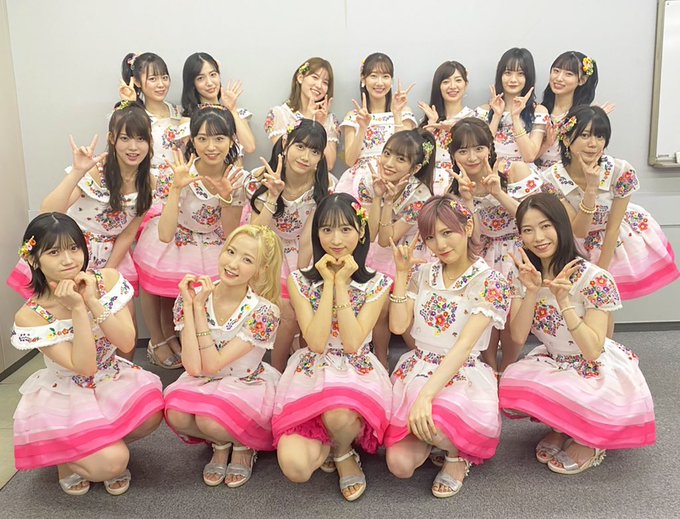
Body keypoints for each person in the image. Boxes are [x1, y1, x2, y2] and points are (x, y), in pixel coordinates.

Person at [499, 193, 656, 474]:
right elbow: (519, 338)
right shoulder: (524, 276)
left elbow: (593, 350)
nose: (538, 237)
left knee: (573, 386)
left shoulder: (594, 278)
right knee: (514, 380)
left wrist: (565, 302)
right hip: (555, 358)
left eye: (545, 226)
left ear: (561, 225)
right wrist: (532, 291)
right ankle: (563, 427)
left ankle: (590, 440)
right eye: (528, 230)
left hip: (593, 364)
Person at [11, 213, 164, 496]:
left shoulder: (107, 279)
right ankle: (69, 459)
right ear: (33, 260)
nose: (68, 260)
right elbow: (84, 367)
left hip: (110, 378)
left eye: (74, 248)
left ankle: (94, 448)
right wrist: (78, 309)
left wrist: (92, 300)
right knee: (114, 464)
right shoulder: (31, 315)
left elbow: (126, 341)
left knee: (152, 414)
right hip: (69, 391)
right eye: (54, 252)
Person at [385, 194, 510, 498]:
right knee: (399, 464)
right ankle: (434, 439)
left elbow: (464, 347)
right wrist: (401, 274)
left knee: (436, 423)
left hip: (461, 373)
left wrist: (426, 396)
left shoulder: (490, 281)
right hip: (417, 368)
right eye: (430, 237)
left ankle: (457, 454)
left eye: (447, 232)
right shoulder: (422, 274)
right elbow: (398, 327)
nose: (439, 244)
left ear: (467, 228)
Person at [7, 104, 153, 361]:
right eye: (125, 138)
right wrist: (78, 171)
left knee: (125, 319)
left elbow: (128, 233)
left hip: (113, 254)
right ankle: (73, 370)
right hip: (72, 249)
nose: (133, 147)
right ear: (112, 139)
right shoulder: (96, 170)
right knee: (68, 317)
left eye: (141, 138)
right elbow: (48, 211)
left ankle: (122, 374)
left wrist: (106, 271)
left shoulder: (149, 181)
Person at [273, 193, 393, 502]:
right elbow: (315, 342)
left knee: (339, 413)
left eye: (345, 229)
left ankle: (342, 451)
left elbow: (352, 343)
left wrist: (342, 283)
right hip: (312, 369)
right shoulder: (299, 280)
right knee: (295, 467)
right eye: (326, 230)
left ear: (361, 232)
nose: (335, 239)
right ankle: (327, 440)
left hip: (356, 369)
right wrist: (328, 282)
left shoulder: (378, 283)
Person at [164, 225, 283, 488]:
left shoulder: (264, 311)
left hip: (245, 384)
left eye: (247, 260)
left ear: (261, 270)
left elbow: (214, 364)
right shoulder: (192, 298)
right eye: (230, 252)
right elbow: (193, 367)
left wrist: (199, 313)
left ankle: (242, 445)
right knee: (176, 415)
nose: (233, 264)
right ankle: (221, 442)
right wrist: (192, 306)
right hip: (203, 380)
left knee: (209, 420)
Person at [133, 106, 246, 367]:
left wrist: (227, 197)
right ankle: (159, 341)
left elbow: (230, 233)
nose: (211, 147)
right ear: (192, 140)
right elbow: (164, 234)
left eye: (219, 138)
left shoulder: (236, 178)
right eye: (203, 138)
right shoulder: (180, 172)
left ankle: (198, 344)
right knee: (158, 287)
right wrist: (176, 187)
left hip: (213, 240)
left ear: (231, 141)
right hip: (178, 236)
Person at [540, 105, 679, 300]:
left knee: (605, 299)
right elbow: (579, 231)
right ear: (566, 138)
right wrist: (591, 188)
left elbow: (613, 228)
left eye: (600, 136)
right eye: (585, 135)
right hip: (575, 242)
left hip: (614, 239)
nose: (593, 144)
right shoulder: (551, 180)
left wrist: (601, 274)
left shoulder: (620, 171)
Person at [446, 117, 542, 373]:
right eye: (463, 151)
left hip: (518, 252)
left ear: (490, 148)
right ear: (453, 155)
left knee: (514, 320)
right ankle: (490, 368)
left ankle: (508, 367)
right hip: (483, 255)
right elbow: (475, 239)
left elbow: (532, 220)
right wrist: (468, 201)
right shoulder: (455, 190)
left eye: (479, 148)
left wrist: (498, 193)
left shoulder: (515, 171)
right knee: (485, 316)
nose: (472, 157)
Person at [246, 119, 334, 372]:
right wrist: (273, 195)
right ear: (285, 143)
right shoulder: (261, 179)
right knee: (287, 312)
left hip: (301, 255)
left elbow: (307, 240)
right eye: (300, 147)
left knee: (304, 303)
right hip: (266, 251)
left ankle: (304, 367)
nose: (305, 157)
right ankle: (278, 369)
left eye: (314, 151)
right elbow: (256, 233)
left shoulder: (324, 186)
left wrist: (300, 281)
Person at [355, 128, 435, 366]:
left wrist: (388, 201)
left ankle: (425, 360)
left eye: (400, 159)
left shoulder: (420, 194)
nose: (389, 163)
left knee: (401, 308)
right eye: (387, 153)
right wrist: (377, 197)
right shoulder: (369, 180)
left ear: (415, 168)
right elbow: (370, 235)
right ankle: (381, 360)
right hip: (375, 254)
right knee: (378, 305)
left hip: (406, 255)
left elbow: (387, 239)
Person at [335, 52, 417, 197]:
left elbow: (407, 152)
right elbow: (349, 160)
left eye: (385, 76)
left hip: (395, 179)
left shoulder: (404, 113)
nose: (379, 83)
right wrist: (362, 128)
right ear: (363, 79)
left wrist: (396, 114)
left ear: (391, 80)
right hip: (360, 182)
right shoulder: (353, 116)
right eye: (373, 76)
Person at [119, 52, 189, 205]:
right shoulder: (135, 116)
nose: (161, 84)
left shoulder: (180, 113)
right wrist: (129, 107)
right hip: (147, 185)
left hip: (182, 183)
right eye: (153, 79)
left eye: (164, 77)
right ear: (137, 82)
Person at [418, 60, 483, 194]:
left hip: (462, 182)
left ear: (466, 84)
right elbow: (419, 159)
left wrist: (455, 130)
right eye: (446, 81)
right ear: (438, 86)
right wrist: (430, 127)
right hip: (428, 185)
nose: (452, 86)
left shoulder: (476, 118)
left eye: (458, 80)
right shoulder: (428, 120)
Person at [264, 57, 339, 168]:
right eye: (315, 77)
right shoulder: (280, 114)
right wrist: (308, 119)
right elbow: (283, 154)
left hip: (316, 178)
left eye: (325, 82)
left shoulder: (329, 119)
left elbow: (329, 165)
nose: (319, 85)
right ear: (300, 78)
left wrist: (320, 125)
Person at [478, 47, 549, 163]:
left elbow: (529, 156)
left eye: (520, 74)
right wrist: (496, 116)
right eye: (508, 73)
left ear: (528, 77)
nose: (513, 79)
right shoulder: (483, 111)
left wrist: (515, 117)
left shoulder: (538, 111)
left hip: (522, 171)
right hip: (492, 170)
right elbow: (481, 154)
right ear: (500, 75)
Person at [181, 52, 256, 154]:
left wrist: (232, 110)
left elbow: (250, 147)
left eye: (213, 75)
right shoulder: (190, 119)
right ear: (192, 84)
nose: (209, 83)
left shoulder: (236, 113)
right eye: (200, 78)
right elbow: (193, 156)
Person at [536, 51, 602, 168]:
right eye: (556, 71)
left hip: (568, 174)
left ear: (582, 80)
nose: (559, 78)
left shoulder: (584, 116)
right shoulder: (539, 111)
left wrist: (594, 122)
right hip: (537, 173)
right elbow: (528, 155)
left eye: (569, 74)